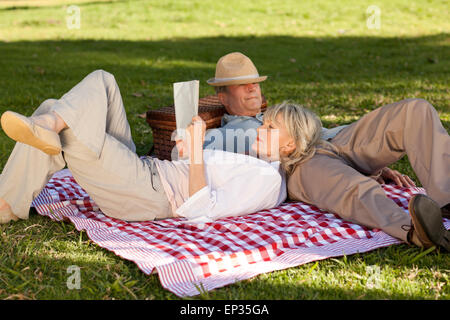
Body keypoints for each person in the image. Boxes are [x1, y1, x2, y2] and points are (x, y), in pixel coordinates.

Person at [0, 70, 286, 224]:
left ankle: (5, 202)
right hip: (146, 172)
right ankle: (46, 130)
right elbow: (199, 172)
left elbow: (200, 209)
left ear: (290, 145)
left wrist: (197, 151)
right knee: (103, 81)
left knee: (66, 124)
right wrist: (187, 153)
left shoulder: (268, 180)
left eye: (270, 128)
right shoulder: (256, 162)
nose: (261, 127)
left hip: (146, 193)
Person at [254, 101, 449, 251]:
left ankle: (447, 198)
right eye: (266, 125)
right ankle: (418, 233)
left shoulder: (258, 113)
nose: (258, 129)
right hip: (299, 163)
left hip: (328, 139)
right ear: (223, 97)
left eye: (268, 126)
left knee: (415, 111)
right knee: (356, 189)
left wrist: (378, 168)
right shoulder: (232, 133)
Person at [203, 52, 416, 188]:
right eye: (242, 84)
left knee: (407, 119)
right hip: (326, 156)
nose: (252, 88)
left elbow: (321, 133)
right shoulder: (225, 136)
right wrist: (366, 167)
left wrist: (373, 164)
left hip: (341, 140)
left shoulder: (275, 116)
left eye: (255, 83)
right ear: (223, 97)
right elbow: (196, 158)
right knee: (406, 120)